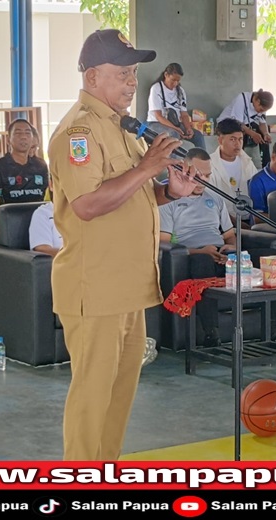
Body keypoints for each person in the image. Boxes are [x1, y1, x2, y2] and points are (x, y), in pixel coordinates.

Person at [48, 29, 197, 461]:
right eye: (122, 74)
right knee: (92, 398)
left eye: (134, 73)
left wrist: (169, 191)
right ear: (92, 76)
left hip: (129, 287)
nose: (132, 83)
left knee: (119, 397)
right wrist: (147, 167)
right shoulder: (78, 132)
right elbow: (89, 205)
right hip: (95, 288)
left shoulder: (125, 129)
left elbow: (130, 196)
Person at [160, 147, 276, 348]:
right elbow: (164, 242)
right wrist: (201, 251)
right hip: (194, 256)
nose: (203, 180)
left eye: (207, 175)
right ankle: (212, 334)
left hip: (224, 255)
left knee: (273, 256)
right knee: (202, 262)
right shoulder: (169, 201)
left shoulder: (214, 198)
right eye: (198, 175)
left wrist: (232, 250)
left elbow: (229, 235)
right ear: (185, 171)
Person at [0, 118, 49, 212]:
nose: (23, 137)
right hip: (9, 222)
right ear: (8, 140)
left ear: (32, 139)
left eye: (27, 133)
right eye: (18, 133)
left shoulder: (41, 166)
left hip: (38, 221)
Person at [209, 117, 258, 229]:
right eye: (232, 139)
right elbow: (211, 201)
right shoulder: (210, 165)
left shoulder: (247, 162)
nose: (238, 144)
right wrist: (236, 224)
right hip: (221, 223)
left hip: (248, 220)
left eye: (240, 139)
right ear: (220, 140)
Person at [145, 62, 206, 149]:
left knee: (198, 136)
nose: (175, 83)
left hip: (175, 124)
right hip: (156, 123)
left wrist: (188, 128)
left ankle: (202, 161)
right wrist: (176, 129)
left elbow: (184, 114)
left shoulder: (180, 91)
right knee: (174, 135)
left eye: (178, 81)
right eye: (173, 80)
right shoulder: (156, 88)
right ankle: (174, 162)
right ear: (166, 75)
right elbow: (158, 116)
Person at [217, 89, 274, 169]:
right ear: (257, 101)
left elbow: (262, 122)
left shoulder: (262, 106)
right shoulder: (242, 98)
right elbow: (238, 124)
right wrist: (252, 134)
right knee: (241, 133)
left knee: (263, 136)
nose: (261, 112)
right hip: (227, 123)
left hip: (245, 123)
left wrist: (266, 133)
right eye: (261, 109)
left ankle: (266, 165)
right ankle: (237, 161)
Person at [29, 176, 63, 257]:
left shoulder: (88, 212)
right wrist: (76, 256)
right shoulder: (43, 214)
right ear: (51, 185)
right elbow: (43, 250)